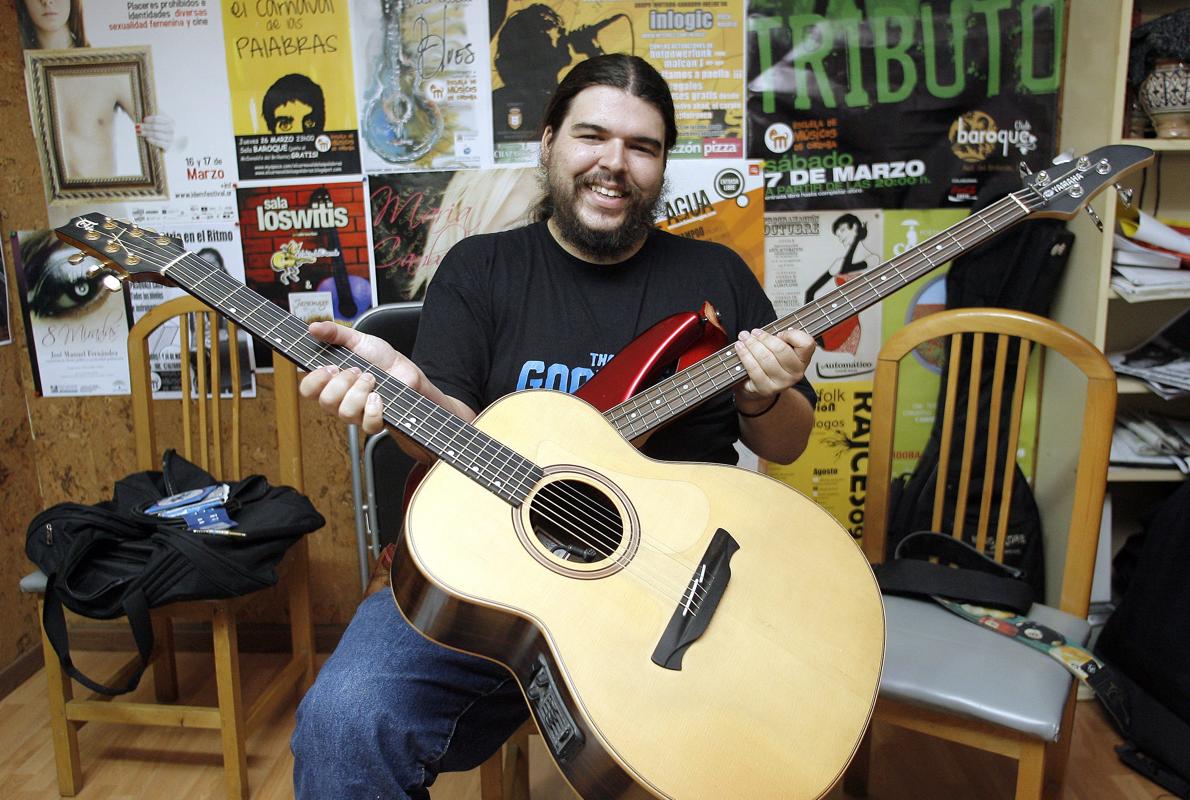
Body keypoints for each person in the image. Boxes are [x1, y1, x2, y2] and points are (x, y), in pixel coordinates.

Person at [291, 54, 818, 799]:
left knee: (747, 754)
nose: (615, 164)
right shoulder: (479, 270)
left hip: (673, 587)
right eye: (592, 136)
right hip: (493, 580)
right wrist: (411, 390)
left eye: (642, 146)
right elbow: (454, 436)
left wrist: (766, 396)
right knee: (345, 722)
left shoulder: (716, 275)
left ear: (663, 163)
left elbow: (786, 444)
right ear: (547, 142)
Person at [19, 0, 174, 180]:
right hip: (42, 206)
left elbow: (161, 129)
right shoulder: (15, 82)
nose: (47, 2)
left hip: (103, 205)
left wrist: (164, 132)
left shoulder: (109, 70)